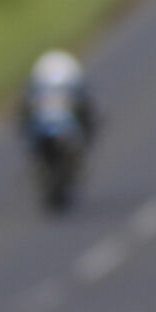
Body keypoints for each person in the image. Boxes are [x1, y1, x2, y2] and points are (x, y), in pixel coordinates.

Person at [17, 49, 99, 211]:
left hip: (57, 143)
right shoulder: (64, 86)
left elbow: (23, 118)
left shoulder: (41, 88)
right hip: (50, 142)